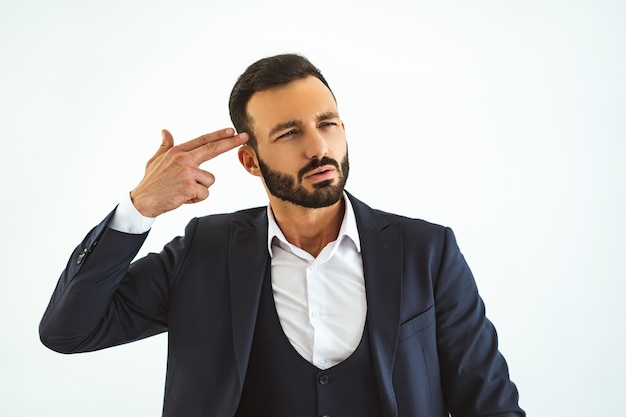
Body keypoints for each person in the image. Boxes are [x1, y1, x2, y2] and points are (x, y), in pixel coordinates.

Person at [40, 54, 525, 417]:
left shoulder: (427, 251)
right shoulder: (203, 252)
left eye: (327, 124)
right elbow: (68, 330)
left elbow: (491, 405)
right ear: (250, 160)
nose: (318, 147)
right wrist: (137, 209)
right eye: (290, 133)